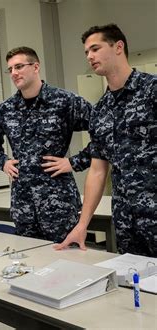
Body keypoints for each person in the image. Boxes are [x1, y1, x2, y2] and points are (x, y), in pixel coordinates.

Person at [55, 24, 156, 257]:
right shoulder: (101, 109)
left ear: (118, 47)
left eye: (95, 48)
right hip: (126, 221)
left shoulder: (151, 91)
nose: (89, 56)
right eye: (86, 52)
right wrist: (82, 224)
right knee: (134, 287)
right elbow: (98, 170)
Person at [0, 46, 92, 243]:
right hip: (23, 203)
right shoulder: (6, 110)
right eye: (10, 69)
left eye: (19, 66)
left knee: (67, 261)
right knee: (32, 261)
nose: (14, 73)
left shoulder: (65, 102)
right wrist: (3, 162)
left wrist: (74, 162)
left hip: (58, 202)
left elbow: (105, 132)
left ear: (36, 67)